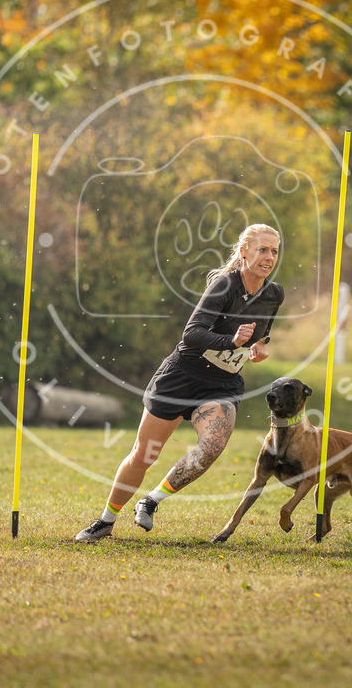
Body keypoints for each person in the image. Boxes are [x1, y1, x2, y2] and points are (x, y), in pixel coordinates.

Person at [75, 223, 285, 541]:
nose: (269, 257)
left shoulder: (274, 294)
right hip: (183, 376)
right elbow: (192, 334)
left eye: (274, 251)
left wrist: (260, 346)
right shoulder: (224, 286)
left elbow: (261, 332)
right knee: (144, 455)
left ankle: (151, 500)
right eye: (262, 250)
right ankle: (106, 521)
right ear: (244, 252)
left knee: (212, 447)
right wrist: (231, 340)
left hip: (221, 384)